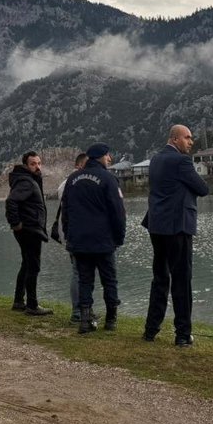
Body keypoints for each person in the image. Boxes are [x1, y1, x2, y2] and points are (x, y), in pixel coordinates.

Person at [143, 124, 209, 347]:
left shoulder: (155, 160)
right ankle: (182, 334)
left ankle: (151, 329)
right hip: (177, 226)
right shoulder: (182, 161)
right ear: (174, 139)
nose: (191, 142)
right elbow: (203, 189)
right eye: (187, 137)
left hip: (156, 225)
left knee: (160, 278)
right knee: (181, 280)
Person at [62, 142, 126, 334]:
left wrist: (69, 236)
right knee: (109, 280)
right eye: (107, 156)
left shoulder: (72, 179)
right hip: (103, 241)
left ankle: (84, 320)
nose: (110, 159)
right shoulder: (108, 179)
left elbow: (66, 211)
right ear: (100, 157)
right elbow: (118, 212)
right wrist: (119, 237)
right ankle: (111, 320)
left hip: (79, 241)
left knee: (85, 281)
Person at [6, 151, 52, 316]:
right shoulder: (26, 181)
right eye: (33, 164)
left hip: (30, 228)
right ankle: (32, 305)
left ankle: (19, 301)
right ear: (26, 165)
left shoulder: (29, 179)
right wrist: (16, 224)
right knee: (33, 266)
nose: (37, 167)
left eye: (39, 163)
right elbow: (11, 201)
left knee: (26, 264)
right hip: (29, 229)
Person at [51, 153, 88, 322]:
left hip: (70, 233)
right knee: (78, 272)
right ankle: (78, 312)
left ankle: (82, 309)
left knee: (79, 271)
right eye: (87, 164)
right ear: (79, 165)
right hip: (75, 234)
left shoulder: (66, 183)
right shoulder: (73, 183)